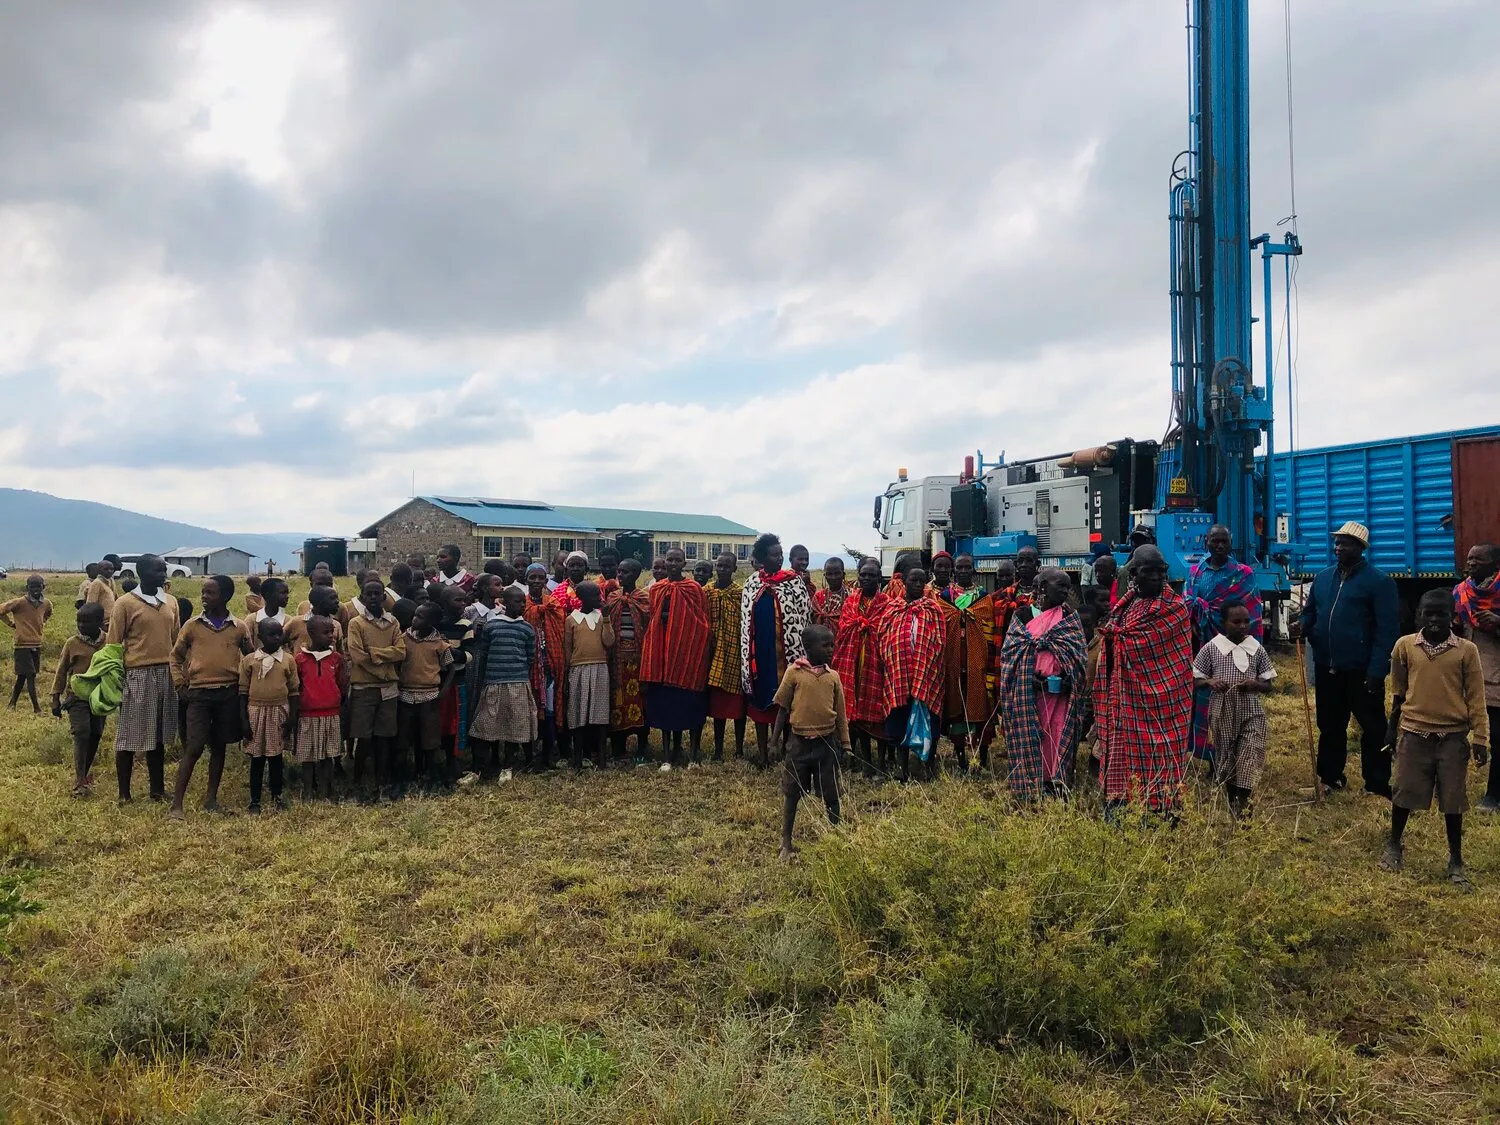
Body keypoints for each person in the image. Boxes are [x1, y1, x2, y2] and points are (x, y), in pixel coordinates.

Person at [1381, 589, 1490, 885]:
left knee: (1453, 801)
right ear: (1418, 615)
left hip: (1453, 737)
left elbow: (1476, 697)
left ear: (1452, 617)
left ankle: (1456, 860)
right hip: (1414, 733)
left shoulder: (1466, 650)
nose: (1434, 619)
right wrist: (1392, 730)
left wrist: (1481, 737)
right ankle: (1394, 846)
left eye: (1441, 614)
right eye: (1428, 613)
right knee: (1403, 793)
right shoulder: (1404, 646)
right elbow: (1398, 693)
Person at [1298, 521, 1399, 797]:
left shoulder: (1379, 582)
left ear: (1361, 548)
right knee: (1329, 725)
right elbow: (1310, 613)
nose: (1338, 547)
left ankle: (1377, 785)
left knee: (1373, 726)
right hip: (1326, 664)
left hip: (1362, 669)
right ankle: (1331, 778)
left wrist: (1378, 669)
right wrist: (1302, 625)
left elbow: (1387, 630)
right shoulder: (1322, 578)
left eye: (1345, 543)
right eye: (1337, 542)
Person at [1093, 545, 1195, 812]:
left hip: (1164, 705)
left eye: (1161, 571)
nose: (1156, 577)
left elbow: (1173, 660)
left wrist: (1120, 639)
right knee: (1120, 755)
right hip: (1123, 701)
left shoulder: (1174, 609)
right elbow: (1118, 639)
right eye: (1148, 571)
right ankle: (1120, 808)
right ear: (1134, 573)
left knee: (1162, 758)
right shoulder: (1127, 605)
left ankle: (1161, 812)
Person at [1000, 567, 1090, 800]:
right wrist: (1026, 677)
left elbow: (1078, 655)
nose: (1065, 590)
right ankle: (1030, 786)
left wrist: (1070, 677)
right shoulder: (1022, 616)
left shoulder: (1070, 617)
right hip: (1028, 694)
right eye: (1060, 585)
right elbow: (1010, 654)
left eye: (1067, 586)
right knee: (1031, 736)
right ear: (1042, 588)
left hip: (1059, 695)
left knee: (1058, 737)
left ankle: (1055, 785)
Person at [168, 575, 251, 819]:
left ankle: (211, 799)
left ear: (225, 596)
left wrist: (245, 687)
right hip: (199, 695)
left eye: (210, 593)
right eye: (203, 592)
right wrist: (180, 685)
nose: (204, 596)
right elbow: (175, 657)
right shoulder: (192, 626)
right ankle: (176, 805)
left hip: (228, 693)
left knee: (219, 746)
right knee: (193, 747)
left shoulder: (238, 628)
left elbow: (250, 657)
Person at [1184, 525, 1264, 764]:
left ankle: (1227, 755)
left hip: (1230, 650)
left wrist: (1252, 651)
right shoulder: (1196, 570)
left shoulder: (1243, 574)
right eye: (1214, 541)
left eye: (1224, 542)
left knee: (1227, 703)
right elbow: (1186, 602)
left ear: (1231, 544)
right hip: (1200, 647)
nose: (1219, 546)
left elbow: (1252, 613)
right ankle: (1205, 753)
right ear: (1206, 541)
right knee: (1201, 700)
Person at [1190, 599, 1275, 817]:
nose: (1243, 626)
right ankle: (1232, 800)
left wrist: (1255, 684)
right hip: (1222, 709)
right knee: (1226, 757)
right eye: (1236, 622)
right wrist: (1210, 682)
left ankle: (1244, 805)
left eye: (1246, 621)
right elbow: (1195, 680)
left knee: (1250, 753)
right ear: (1223, 623)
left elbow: (1268, 684)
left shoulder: (1256, 648)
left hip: (1251, 710)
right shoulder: (1212, 648)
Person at [107, 554, 180, 803]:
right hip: (138, 674)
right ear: (142, 572)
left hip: (166, 673)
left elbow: (177, 640)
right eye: (158, 571)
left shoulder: (170, 602)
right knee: (129, 734)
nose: (163, 575)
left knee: (157, 736)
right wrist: (116, 681)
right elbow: (113, 644)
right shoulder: (125, 604)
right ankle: (124, 794)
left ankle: (157, 790)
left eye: (164, 570)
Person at [773, 624, 849, 861]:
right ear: (808, 647)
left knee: (831, 793)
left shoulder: (833, 677)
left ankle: (835, 837)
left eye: (832, 645)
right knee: (792, 793)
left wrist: (845, 744)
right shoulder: (794, 673)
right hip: (799, 745)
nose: (830, 650)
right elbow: (782, 710)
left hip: (827, 745)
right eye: (825, 645)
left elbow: (841, 715)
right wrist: (774, 741)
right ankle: (786, 841)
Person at [740, 533, 813, 766]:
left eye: (781, 554)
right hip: (760, 654)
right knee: (762, 700)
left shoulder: (793, 582)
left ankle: (786, 750)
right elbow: (745, 624)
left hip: (789, 654)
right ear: (762, 559)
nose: (779, 558)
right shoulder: (752, 584)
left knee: (788, 701)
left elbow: (804, 617)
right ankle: (763, 753)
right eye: (774, 555)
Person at [641, 547, 711, 769]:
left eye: (677, 560)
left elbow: (702, 621)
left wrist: (680, 622)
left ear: (684, 564)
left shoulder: (693, 589)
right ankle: (666, 757)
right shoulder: (656, 589)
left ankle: (693, 756)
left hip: (688, 655)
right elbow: (652, 620)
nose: (672, 564)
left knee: (690, 706)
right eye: (669, 560)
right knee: (666, 707)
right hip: (663, 655)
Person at [876, 566, 949, 781]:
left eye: (922, 581)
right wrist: (891, 659)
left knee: (930, 717)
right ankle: (903, 767)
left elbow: (940, 642)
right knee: (899, 719)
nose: (918, 584)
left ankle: (928, 765)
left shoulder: (933, 609)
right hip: (897, 674)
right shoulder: (893, 608)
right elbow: (883, 637)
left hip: (927, 675)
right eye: (913, 580)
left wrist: (928, 664)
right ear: (903, 582)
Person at [467, 585, 541, 774]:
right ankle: (479, 769)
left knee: (514, 726)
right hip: (494, 683)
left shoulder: (527, 628)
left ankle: (508, 766)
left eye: (523, 601)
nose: (522, 604)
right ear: (505, 603)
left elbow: (530, 656)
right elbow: (484, 652)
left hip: (517, 683)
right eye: (517, 601)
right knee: (486, 724)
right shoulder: (492, 625)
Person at [347, 576, 406, 804]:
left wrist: (376, 653)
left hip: (389, 690)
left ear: (384, 597)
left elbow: (400, 652)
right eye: (368, 594)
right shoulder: (356, 624)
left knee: (384, 737)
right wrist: (384, 669)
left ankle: (381, 782)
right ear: (362, 597)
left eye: (377, 594)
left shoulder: (393, 623)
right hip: (365, 688)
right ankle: (358, 781)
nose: (373, 598)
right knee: (364, 737)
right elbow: (357, 656)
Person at [833, 558, 893, 778]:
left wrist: (868, 629)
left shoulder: (887, 604)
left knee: (878, 714)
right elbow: (844, 628)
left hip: (878, 667)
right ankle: (862, 761)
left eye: (871, 575)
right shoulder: (851, 602)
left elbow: (889, 633)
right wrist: (861, 627)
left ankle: (880, 763)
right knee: (856, 717)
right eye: (863, 575)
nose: (866, 579)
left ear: (879, 578)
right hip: (852, 665)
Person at [940, 554, 997, 770]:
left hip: (977, 659)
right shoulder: (945, 598)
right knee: (956, 706)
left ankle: (982, 756)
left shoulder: (983, 598)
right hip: (953, 658)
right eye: (959, 568)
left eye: (967, 568)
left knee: (980, 701)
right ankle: (961, 757)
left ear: (974, 571)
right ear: (954, 571)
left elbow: (989, 632)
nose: (963, 571)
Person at [1455, 542, 1500, 811]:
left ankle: (1494, 795)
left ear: (1495, 565)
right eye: (1470, 558)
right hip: (1464, 676)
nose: (1471, 563)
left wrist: (1498, 623)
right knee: (1451, 734)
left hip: (1496, 678)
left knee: (1498, 738)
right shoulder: (1461, 592)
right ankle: (1447, 787)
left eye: (1478, 559)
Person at [239, 618, 300, 813]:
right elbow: (242, 692)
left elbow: (294, 691)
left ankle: (277, 796)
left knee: (276, 758)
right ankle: (255, 800)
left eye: (279, 634)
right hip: (255, 713)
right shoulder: (249, 660)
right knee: (257, 759)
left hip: (279, 712)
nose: (276, 638)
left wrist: (292, 718)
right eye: (271, 634)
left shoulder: (288, 660)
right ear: (260, 637)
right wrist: (243, 720)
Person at [397, 601, 457, 796]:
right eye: (415, 615)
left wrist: (443, 692)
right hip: (405, 695)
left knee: (429, 739)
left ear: (432, 622)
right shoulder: (403, 638)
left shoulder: (439, 644)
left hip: (429, 695)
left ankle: (430, 775)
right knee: (405, 737)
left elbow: (451, 669)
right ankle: (406, 775)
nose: (415, 619)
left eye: (420, 617)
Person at [53, 602, 107, 797]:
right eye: (79, 621)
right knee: (82, 732)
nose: (81, 625)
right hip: (76, 696)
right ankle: (78, 780)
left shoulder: (108, 642)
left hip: (100, 697)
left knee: (96, 733)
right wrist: (55, 697)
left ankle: (84, 773)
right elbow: (61, 670)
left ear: (100, 622)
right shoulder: (72, 643)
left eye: (86, 621)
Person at [294, 614, 346, 802]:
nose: (331, 636)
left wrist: (338, 700)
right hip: (307, 714)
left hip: (331, 713)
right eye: (325, 632)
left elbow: (342, 683)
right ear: (312, 633)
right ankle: (308, 790)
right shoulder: (300, 659)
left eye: (332, 632)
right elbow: (297, 686)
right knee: (308, 758)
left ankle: (326, 789)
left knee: (328, 755)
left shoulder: (336, 658)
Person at [564, 580, 615, 770]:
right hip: (578, 670)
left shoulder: (601, 618)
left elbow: (609, 642)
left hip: (600, 668)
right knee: (578, 715)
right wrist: (567, 674)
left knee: (600, 715)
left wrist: (608, 618)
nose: (599, 599)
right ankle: (577, 758)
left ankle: (601, 758)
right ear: (581, 598)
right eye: (595, 595)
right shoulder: (571, 620)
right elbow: (568, 650)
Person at [704, 552, 747, 760]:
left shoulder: (741, 593)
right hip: (714, 655)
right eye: (719, 566)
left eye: (726, 566)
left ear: (734, 569)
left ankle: (739, 749)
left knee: (738, 708)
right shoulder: (707, 592)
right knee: (718, 708)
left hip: (736, 654)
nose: (722, 569)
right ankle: (718, 750)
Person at [608, 559, 651, 763]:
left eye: (625, 571)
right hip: (616, 658)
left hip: (638, 657)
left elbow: (648, 627)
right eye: (619, 571)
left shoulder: (643, 598)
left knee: (639, 701)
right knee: (617, 702)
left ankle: (642, 747)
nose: (620, 574)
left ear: (636, 574)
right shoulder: (612, 597)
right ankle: (619, 747)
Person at [524, 562, 566, 767]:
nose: (537, 582)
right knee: (530, 708)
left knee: (549, 709)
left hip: (550, 664)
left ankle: (548, 755)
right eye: (533, 578)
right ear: (526, 580)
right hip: (529, 667)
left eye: (541, 578)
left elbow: (560, 631)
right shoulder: (521, 604)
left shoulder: (554, 604)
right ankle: (529, 755)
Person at [0, 575, 52, 711]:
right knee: (31, 675)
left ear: (43, 587)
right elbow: (1, 610)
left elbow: (47, 614)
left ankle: (12, 704)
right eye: (32, 586)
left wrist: (41, 624)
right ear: (27, 588)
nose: (35, 589)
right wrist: (11, 624)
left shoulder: (46, 603)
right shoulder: (19, 602)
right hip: (22, 644)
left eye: (38, 586)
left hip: (36, 643)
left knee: (23, 676)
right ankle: (36, 708)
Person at [285, 586, 345, 654]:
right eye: (332, 598)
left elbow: (340, 652)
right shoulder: (296, 622)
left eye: (337, 598)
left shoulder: (336, 625)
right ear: (318, 602)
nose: (337, 601)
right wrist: (290, 659)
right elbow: (279, 642)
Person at [1112, 523, 1157, 598]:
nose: (1139, 543)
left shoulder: (1157, 560)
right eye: (1136, 540)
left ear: (1151, 541)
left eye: (1143, 539)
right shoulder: (1127, 567)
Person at [811, 556, 851, 641]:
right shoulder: (818, 597)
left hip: (845, 642)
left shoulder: (851, 597)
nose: (833, 577)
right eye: (829, 574)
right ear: (825, 576)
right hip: (821, 643)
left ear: (843, 575)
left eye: (837, 573)